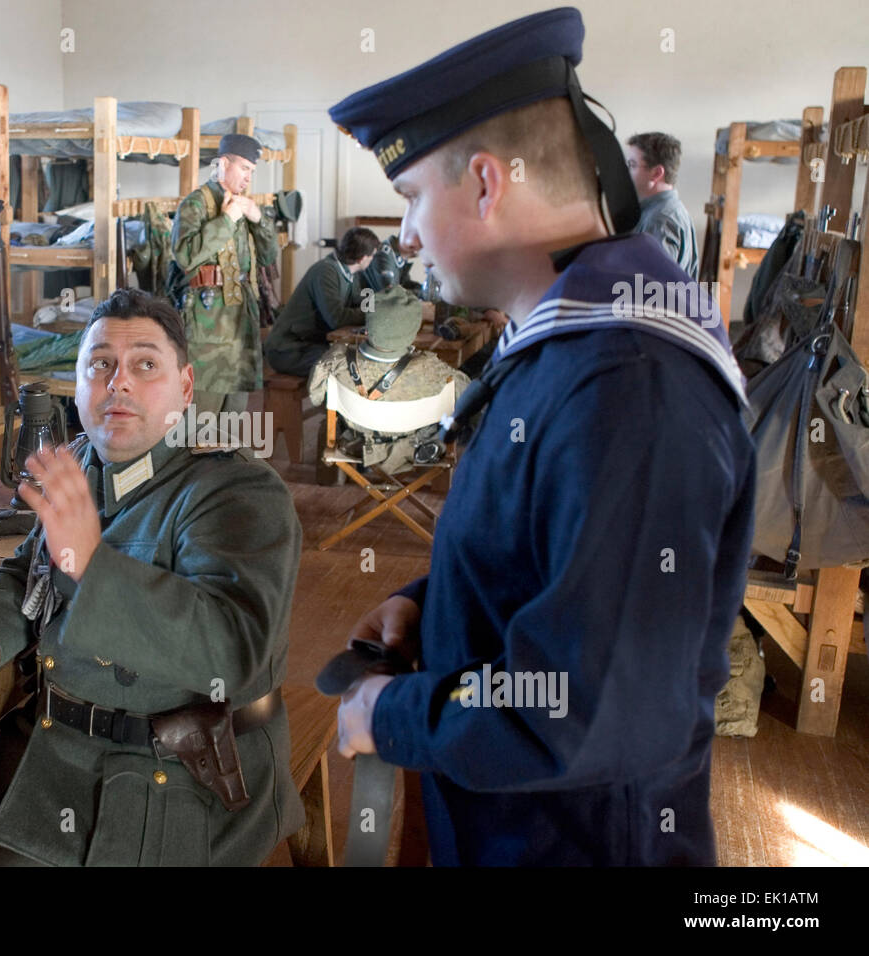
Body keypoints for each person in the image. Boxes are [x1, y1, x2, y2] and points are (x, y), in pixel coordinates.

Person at [328, 6, 753, 865]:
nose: (405, 235)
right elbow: (553, 553)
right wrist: (432, 599)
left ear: (487, 184)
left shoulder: (630, 383)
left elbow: (581, 708)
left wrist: (389, 716)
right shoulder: (574, 340)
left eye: (412, 198)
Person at [0, 288, 304, 867]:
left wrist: (92, 563)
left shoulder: (236, 492)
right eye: (100, 366)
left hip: (173, 770)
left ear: (185, 387)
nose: (119, 383)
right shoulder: (84, 466)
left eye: (145, 364)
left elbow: (232, 652)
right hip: (62, 738)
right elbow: (32, 572)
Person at [170, 133, 280, 416]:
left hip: (241, 314)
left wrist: (259, 220)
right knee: (202, 410)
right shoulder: (196, 204)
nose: (248, 178)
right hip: (208, 319)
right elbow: (186, 255)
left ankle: (226, 460)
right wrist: (227, 219)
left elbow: (268, 257)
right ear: (222, 163)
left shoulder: (243, 204)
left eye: (252, 172)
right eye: (244, 168)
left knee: (234, 409)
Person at [307, 286, 467, 472]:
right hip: (412, 434)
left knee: (338, 420)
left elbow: (315, 397)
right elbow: (467, 394)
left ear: (370, 324)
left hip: (360, 437)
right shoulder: (431, 369)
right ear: (414, 330)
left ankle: (377, 450)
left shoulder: (336, 360)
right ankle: (421, 445)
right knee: (443, 420)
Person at [264, 227, 380, 378]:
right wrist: (371, 313)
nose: (372, 261)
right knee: (347, 366)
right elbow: (337, 318)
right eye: (372, 257)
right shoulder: (326, 271)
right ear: (362, 258)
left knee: (356, 358)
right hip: (288, 349)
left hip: (309, 344)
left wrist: (374, 305)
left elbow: (360, 302)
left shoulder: (349, 273)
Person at [626, 131, 700, 277]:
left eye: (632, 165)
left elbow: (651, 289)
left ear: (656, 173)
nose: (626, 172)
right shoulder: (669, 210)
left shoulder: (660, 220)